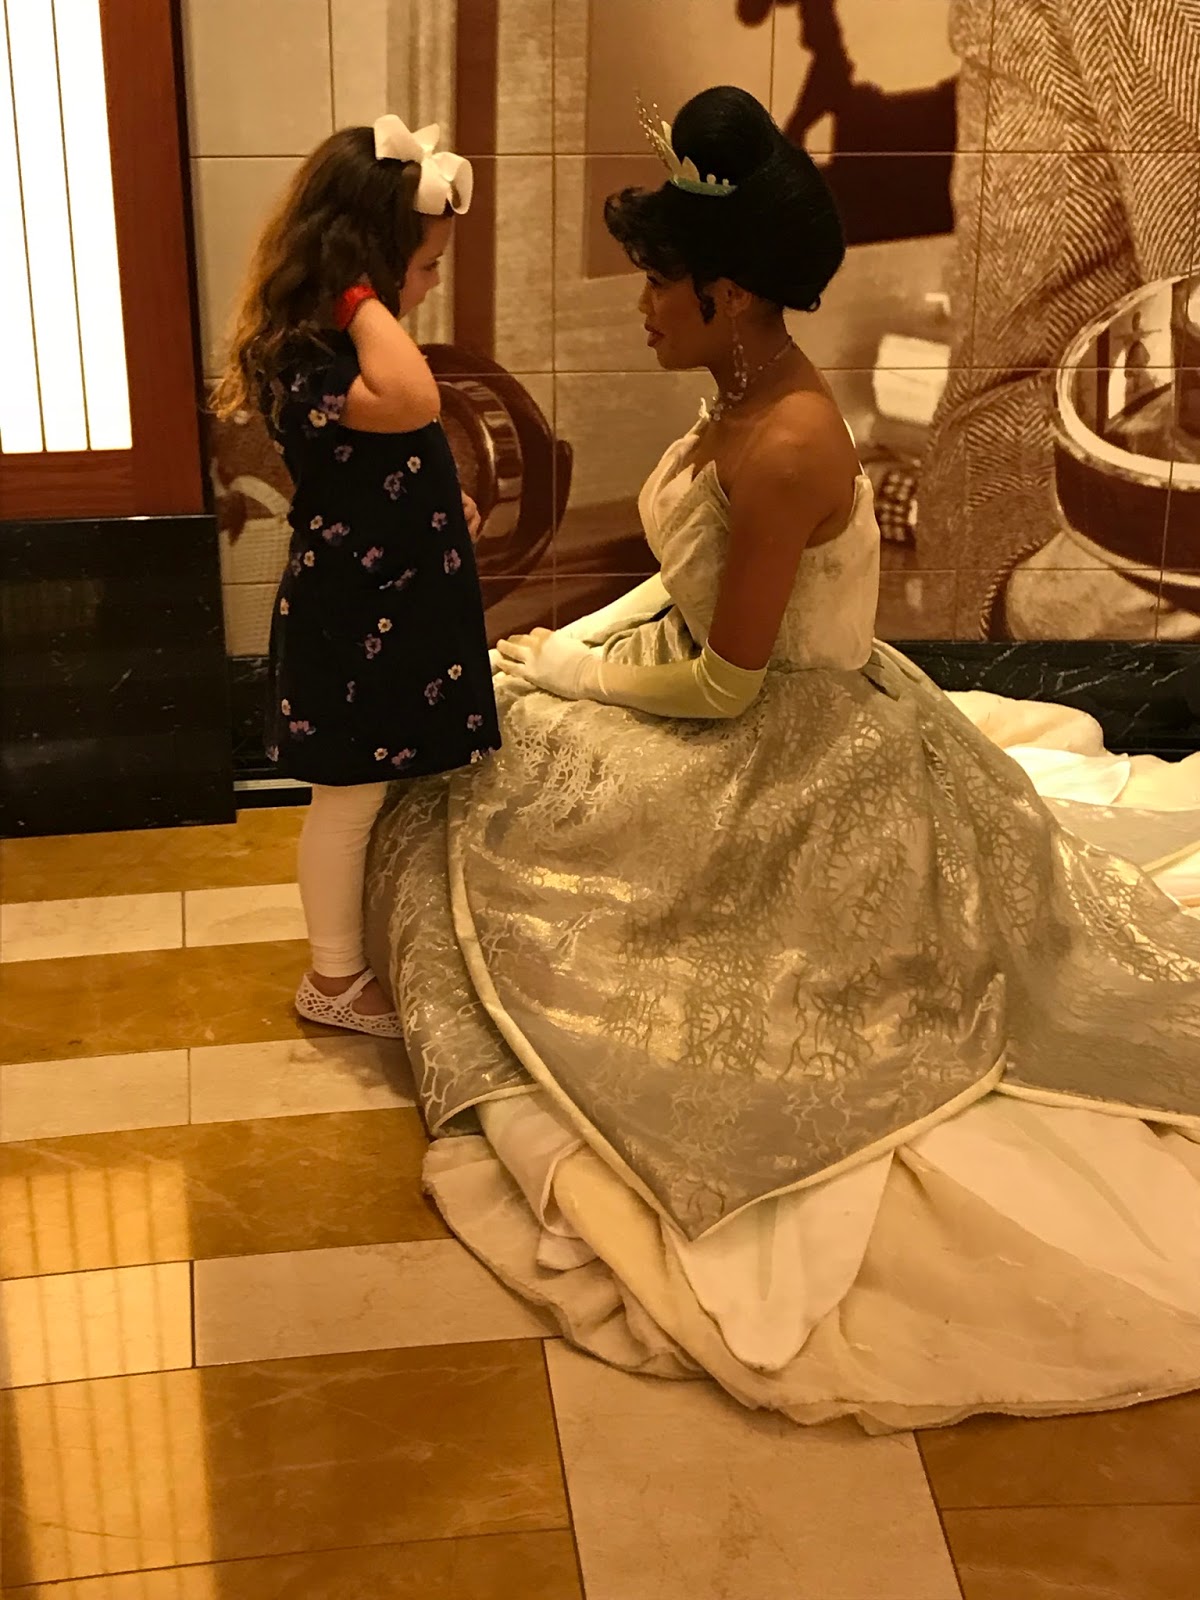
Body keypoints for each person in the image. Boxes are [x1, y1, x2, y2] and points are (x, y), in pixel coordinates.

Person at [365, 87, 1200, 1432]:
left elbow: (725, 677)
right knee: (480, 756)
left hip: (790, 743)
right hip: (724, 695)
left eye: (662, 283)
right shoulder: (734, 391)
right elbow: (684, 586)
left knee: (511, 793)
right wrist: (559, 647)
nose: (644, 307)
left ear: (735, 294)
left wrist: (568, 673)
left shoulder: (793, 442)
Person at [214, 117, 500, 1038]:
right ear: (364, 269)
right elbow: (413, 401)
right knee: (345, 802)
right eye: (424, 266)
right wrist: (355, 293)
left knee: (381, 793)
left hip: (399, 609)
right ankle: (331, 978)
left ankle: (375, 941)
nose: (434, 283)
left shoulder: (349, 352)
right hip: (355, 621)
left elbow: (393, 449)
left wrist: (444, 502)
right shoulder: (304, 356)